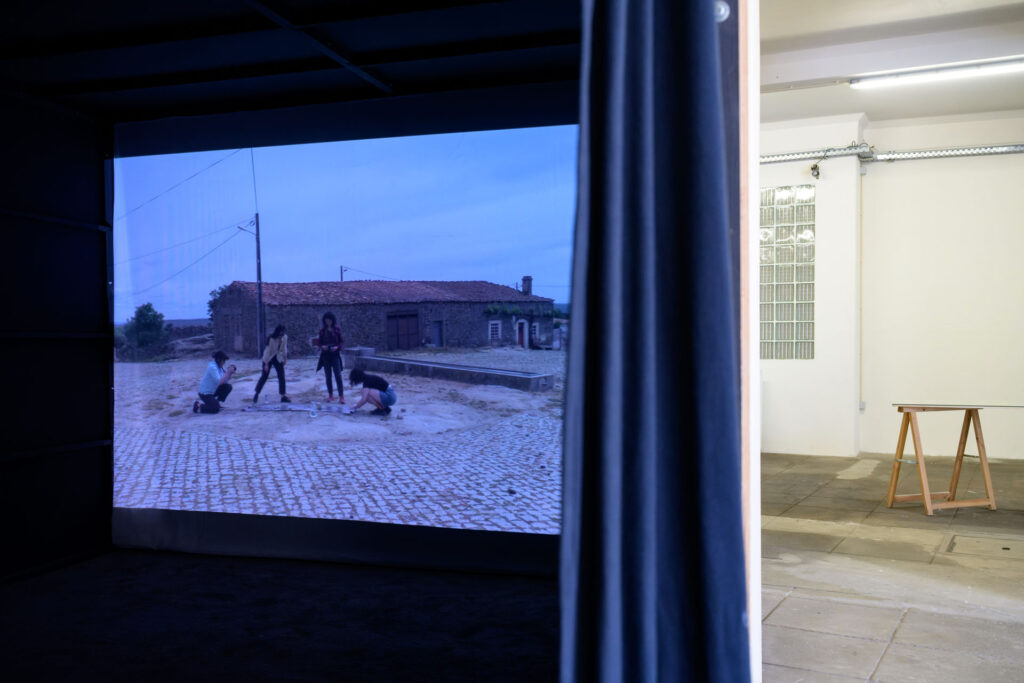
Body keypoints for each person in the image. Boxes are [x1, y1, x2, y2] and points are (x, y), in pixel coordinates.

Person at [312, 312, 345, 403]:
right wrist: (322, 346)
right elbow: (319, 342)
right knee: (328, 376)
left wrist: (337, 347)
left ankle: (341, 396)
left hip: (335, 355)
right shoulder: (322, 331)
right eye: (326, 320)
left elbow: (341, 342)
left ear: (332, 320)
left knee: (338, 375)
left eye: (329, 320)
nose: (328, 322)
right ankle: (330, 395)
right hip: (325, 355)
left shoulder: (337, 329)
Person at [253, 324, 291, 404]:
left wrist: (285, 358)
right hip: (269, 357)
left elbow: (284, 348)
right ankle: (256, 393)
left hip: (278, 357)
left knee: (281, 376)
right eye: (280, 334)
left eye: (282, 334)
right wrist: (266, 364)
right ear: (277, 333)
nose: (281, 336)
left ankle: (283, 396)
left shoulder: (284, 337)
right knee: (264, 376)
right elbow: (268, 351)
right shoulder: (272, 339)